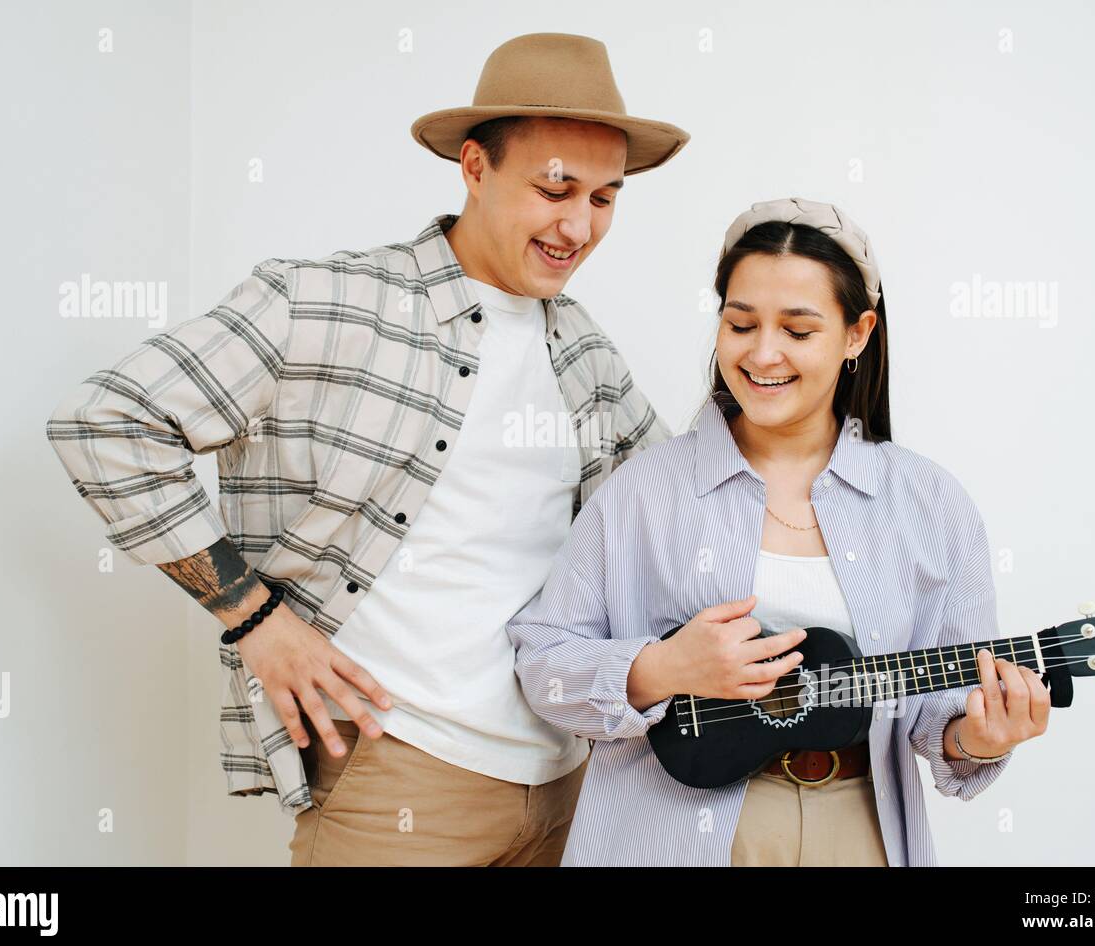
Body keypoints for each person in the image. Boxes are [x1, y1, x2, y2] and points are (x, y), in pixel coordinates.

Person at [44, 33, 688, 866]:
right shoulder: (328, 303)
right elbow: (106, 423)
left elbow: (674, 512)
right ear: (475, 167)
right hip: (398, 783)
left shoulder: (584, 352)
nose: (578, 225)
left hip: (569, 790)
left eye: (604, 197)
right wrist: (256, 618)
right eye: (555, 187)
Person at [506, 197, 1052, 866]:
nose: (764, 353)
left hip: (856, 828)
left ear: (857, 334)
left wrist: (978, 738)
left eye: (798, 330)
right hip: (668, 835)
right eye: (741, 324)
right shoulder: (644, 491)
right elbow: (541, 662)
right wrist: (661, 668)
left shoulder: (931, 505)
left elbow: (938, 709)